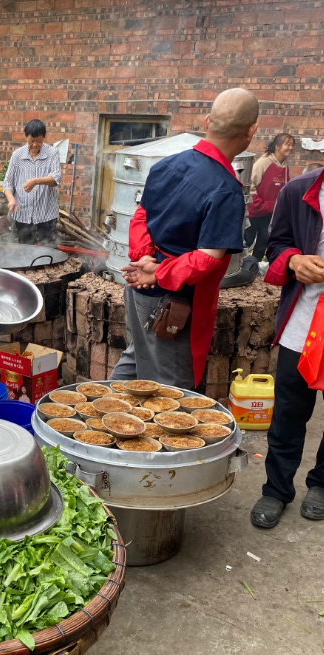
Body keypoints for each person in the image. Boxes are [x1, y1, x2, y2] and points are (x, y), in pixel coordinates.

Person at [110, 88, 260, 389]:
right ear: (251, 131)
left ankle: (94, 417)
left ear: (207, 121)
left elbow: (140, 215)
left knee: (136, 360)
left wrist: (144, 259)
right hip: (172, 302)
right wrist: (160, 274)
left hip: (140, 286)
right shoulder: (226, 189)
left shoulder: (167, 164)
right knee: (172, 388)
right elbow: (207, 258)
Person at [249, 166, 324, 528]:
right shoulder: (299, 190)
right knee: (289, 411)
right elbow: (275, 245)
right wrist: (294, 261)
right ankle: (276, 489)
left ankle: (321, 483)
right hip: (304, 322)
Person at [3, 119, 62, 247]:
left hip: (46, 211)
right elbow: (7, 183)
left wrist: (36, 181)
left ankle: (49, 266)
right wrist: (11, 199)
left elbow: (56, 178)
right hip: (22, 212)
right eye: (31, 141)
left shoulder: (52, 153)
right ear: (26, 138)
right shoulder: (17, 156)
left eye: (39, 141)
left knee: (49, 248)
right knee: (25, 249)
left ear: (44, 138)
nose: (35, 144)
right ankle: (27, 268)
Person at [244, 133, 294, 262]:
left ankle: (254, 268)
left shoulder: (286, 166)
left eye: (292, 145)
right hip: (255, 212)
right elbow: (250, 185)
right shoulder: (263, 162)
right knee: (248, 240)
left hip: (270, 213)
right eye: (287, 144)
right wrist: (260, 204)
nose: (291, 148)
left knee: (263, 242)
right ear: (277, 147)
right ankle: (241, 266)